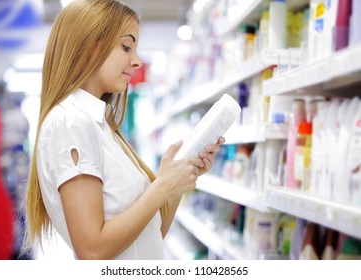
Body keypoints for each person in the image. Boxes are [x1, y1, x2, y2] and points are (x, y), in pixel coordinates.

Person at [24, 0, 225, 260]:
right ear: (88, 45)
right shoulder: (71, 122)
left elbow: (149, 236)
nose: (137, 61)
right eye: (126, 46)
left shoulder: (102, 127)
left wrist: (173, 183)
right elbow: (92, 250)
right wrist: (161, 187)